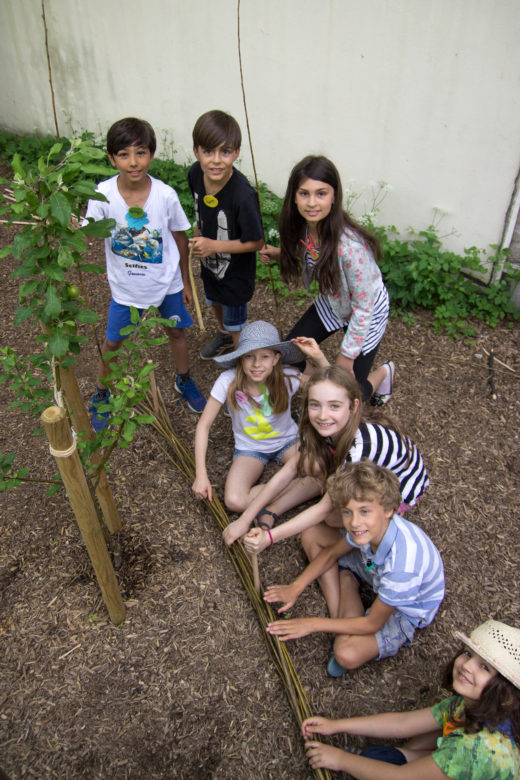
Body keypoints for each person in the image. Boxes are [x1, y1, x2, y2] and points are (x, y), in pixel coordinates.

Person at [264, 462, 444, 678]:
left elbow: (372, 623)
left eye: (364, 511)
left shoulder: (402, 568)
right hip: (375, 569)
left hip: (405, 608)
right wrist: (295, 587)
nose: (355, 522)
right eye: (347, 512)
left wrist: (309, 624)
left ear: (389, 510)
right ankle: (347, 588)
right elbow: (331, 554)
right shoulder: (370, 530)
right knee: (312, 534)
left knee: (345, 654)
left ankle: (346, 590)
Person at [85, 116, 205, 429]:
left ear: (151, 154)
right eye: (124, 154)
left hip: (167, 283)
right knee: (113, 343)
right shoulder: (102, 194)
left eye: (141, 153)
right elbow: (89, 232)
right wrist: (75, 229)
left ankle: (183, 380)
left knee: (176, 332)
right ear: (111, 158)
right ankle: (102, 393)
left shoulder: (165, 196)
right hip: (126, 289)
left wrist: (186, 282)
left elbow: (180, 238)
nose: (134, 162)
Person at [234, 364, 428, 549]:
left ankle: (385, 524)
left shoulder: (361, 448)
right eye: (315, 405)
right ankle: (273, 510)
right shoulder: (327, 428)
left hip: (399, 486)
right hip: (359, 466)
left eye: (334, 406)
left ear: (353, 406)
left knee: (333, 518)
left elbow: (323, 509)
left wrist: (269, 538)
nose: (323, 415)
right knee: (312, 464)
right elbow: (291, 468)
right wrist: (244, 519)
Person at [301, 619, 520, 778]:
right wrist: (336, 726)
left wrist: (340, 760)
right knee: (376, 757)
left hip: (463, 758)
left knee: (375, 765)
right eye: (468, 654)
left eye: (484, 667)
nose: (467, 665)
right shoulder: (472, 703)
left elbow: (400, 777)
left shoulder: (476, 749)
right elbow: (403, 722)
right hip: (457, 757)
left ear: (505, 693)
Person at [260, 155, 392, 403]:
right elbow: (311, 251)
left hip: (367, 311)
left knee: (349, 392)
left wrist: (347, 355)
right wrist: (280, 253)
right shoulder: (304, 226)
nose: (312, 203)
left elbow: (364, 308)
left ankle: (384, 373)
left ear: (334, 196)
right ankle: (319, 382)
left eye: (321, 193)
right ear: (294, 196)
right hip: (333, 302)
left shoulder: (350, 248)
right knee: (289, 355)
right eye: (304, 193)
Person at [192, 322, 328, 534]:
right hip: (250, 449)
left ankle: (273, 506)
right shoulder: (228, 380)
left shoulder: (288, 376)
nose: (257, 364)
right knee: (234, 501)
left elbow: (333, 388)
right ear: (240, 358)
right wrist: (201, 474)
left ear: (276, 359)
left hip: (288, 441)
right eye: (249, 356)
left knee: (321, 469)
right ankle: (296, 487)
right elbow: (204, 425)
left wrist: (319, 359)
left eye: (265, 356)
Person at [188, 110, 264, 359]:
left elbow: (256, 242)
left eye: (225, 152)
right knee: (213, 301)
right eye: (208, 152)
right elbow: (199, 207)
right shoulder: (195, 174)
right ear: (196, 151)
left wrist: (214, 246)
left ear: (237, 152)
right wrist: (199, 233)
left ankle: (242, 359)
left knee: (236, 322)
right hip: (209, 263)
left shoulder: (242, 195)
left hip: (235, 274)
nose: (216, 161)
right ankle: (223, 335)